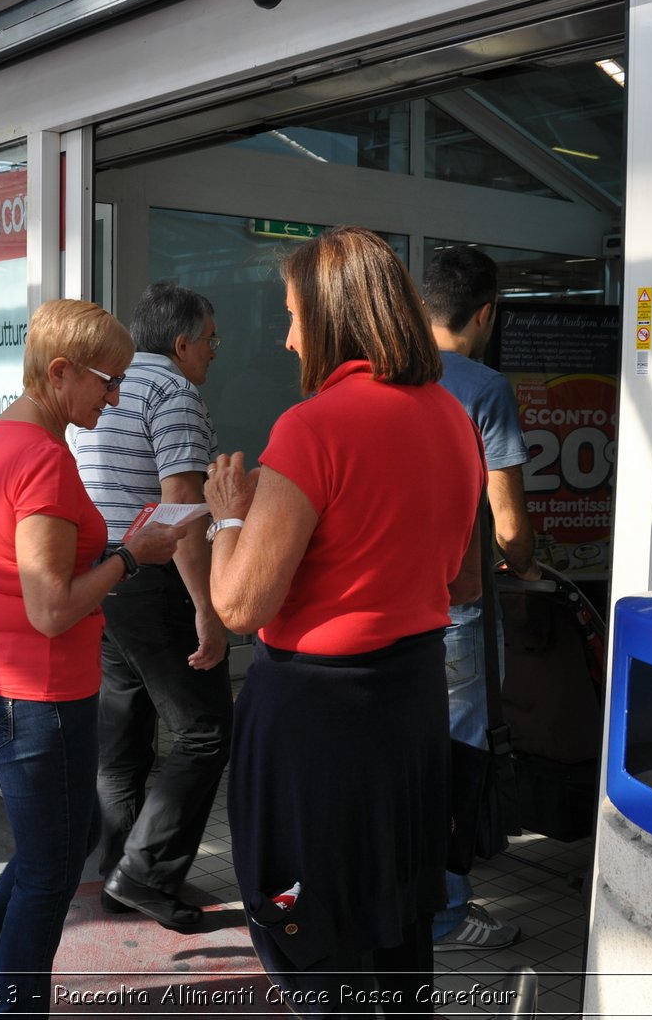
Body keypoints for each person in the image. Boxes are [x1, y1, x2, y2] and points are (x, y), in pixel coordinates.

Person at [203, 226, 484, 1015]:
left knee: (308, 940)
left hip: (316, 721)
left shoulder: (312, 427)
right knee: (397, 930)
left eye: (293, 315)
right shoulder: (454, 420)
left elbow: (237, 606)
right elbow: (463, 579)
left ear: (333, 319)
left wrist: (229, 517)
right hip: (412, 709)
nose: (289, 337)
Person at [0, 299, 184, 1018]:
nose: (117, 395)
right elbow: (50, 608)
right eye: (109, 380)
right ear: (61, 371)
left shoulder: (4, 437)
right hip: (35, 693)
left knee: (60, 844)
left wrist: (109, 548)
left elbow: (22, 567)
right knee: (50, 868)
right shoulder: (40, 456)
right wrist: (134, 556)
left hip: (8, 683)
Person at [72, 282, 229, 933]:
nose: (215, 353)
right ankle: (144, 872)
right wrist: (207, 608)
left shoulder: (113, 385)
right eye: (212, 340)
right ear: (184, 342)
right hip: (152, 578)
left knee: (125, 735)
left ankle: (121, 868)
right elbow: (183, 512)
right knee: (206, 727)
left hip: (103, 573)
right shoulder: (172, 393)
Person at [423, 245, 541, 953]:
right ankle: (445, 909)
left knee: (406, 758)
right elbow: (510, 522)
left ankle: (404, 892)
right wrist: (523, 560)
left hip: (393, 609)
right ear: (486, 313)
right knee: (457, 761)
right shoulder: (484, 387)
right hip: (459, 610)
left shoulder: (385, 376)